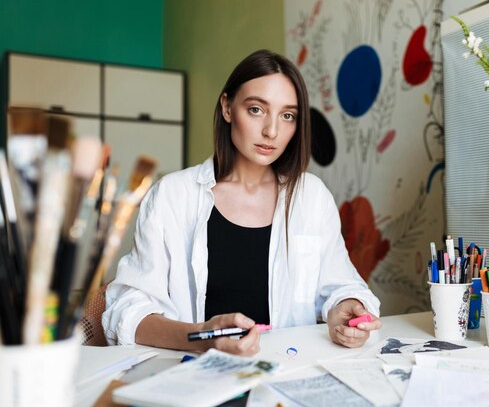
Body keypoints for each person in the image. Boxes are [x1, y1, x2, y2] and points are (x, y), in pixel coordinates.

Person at [103, 49, 382, 356]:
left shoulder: (311, 197)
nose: (271, 131)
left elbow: (342, 284)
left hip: (286, 375)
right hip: (194, 378)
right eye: (256, 110)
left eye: (287, 116)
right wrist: (201, 336)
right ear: (227, 107)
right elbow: (126, 310)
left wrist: (347, 308)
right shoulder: (172, 196)